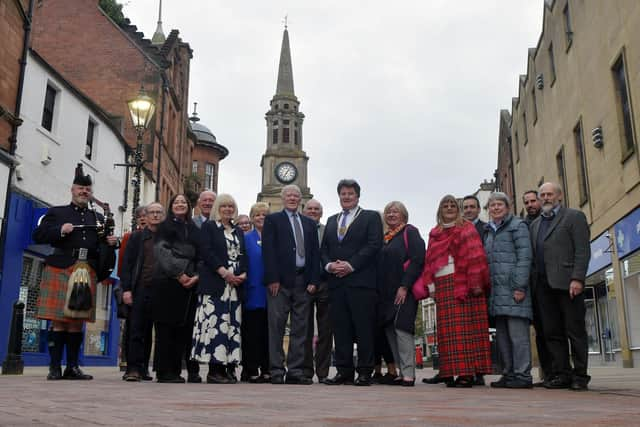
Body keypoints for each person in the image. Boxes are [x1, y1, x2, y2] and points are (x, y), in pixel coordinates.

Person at [33, 163, 118, 380]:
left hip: (86, 268)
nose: (84, 192)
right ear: (72, 189)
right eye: (80, 188)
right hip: (60, 266)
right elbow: (39, 235)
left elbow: (104, 245)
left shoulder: (98, 219)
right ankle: (54, 367)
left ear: (91, 193)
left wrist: (111, 242)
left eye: (87, 189)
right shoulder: (57, 212)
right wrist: (60, 231)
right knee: (59, 319)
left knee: (77, 321)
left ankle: (72, 367)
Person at [422, 194, 491, 388]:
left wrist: (476, 282)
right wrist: (431, 287)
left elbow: (477, 256)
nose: (450, 208)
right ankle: (449, 372)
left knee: (464, 331)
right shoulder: (435, 232)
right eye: (446, 205)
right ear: (440, 210)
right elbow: (429, 262)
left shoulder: (467, 228)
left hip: (465, 282)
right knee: (446, 332)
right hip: (442, 284)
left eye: (453, 205)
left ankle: (467, 374)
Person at [530, 182, 591, 391]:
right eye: (542, 195)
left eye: (550, 194)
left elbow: (582, 251)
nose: (546, 198)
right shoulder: (535, 225)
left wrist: (578, 279)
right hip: (543, 287)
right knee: (552, 332)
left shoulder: (574, 217)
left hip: (567, 284)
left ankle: (580, 375)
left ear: (559, 196)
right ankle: (562, 374)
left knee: (575, 331)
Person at [321, 179, 383, 386]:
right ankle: (343, 371)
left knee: (363, 328)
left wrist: (351, 264)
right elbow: (324, 250)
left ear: (357, 196)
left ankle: (365, 371)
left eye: (350, 193)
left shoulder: (370, 217)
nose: (346, 197)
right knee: (341, 329)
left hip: (361, 282)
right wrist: (330, 266)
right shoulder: (331, 220)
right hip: (337, 284)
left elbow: (374, 245)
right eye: (343, 194)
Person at [262, 185, 320, 385]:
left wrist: (314, 280)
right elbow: (268, 251)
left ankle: (295, 371)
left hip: (304, 282)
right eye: (289, 195)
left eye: (296, 195)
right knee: (276, 326)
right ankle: (277, 370)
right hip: (280, 283)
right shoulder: (272, 220)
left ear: (301, 198)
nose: (293, 198)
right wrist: (272, 279)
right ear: (283, 198)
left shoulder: (309, 224)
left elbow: (315, 254)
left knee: (301, 329)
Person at [192, 194, 247, 384]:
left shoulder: (238, 231)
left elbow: (242, 255)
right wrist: (225, 273)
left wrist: (243, 274)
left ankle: (228, 368)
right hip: (215, 286)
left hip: (234, 289)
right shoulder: (209, 227)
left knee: (231, 326)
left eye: (231, 206)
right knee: (216, 326)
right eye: (224, 206)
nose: (227, 209)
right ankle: (214, 371)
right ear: (218, 208)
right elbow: (206, 252)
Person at [483, 192, 533, 389]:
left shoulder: (518, 226)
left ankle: (523, 375)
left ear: (507, 207)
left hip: (514, 291)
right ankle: (509, 373)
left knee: (518, 336)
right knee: (502, 336)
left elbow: (525, 257)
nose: (496, 208)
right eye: (492, 205)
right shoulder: (488, 231)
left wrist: (520, 286)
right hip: (496, 293)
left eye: (499, 205)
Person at [152, 194, 200, 383]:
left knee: (182, 330)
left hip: (189, 286)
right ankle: (164, 371)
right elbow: (162, 253)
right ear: (171, 206)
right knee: (165, 329)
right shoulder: (164, 227)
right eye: (176, 202)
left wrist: (196, 276)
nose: (180, 204)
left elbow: (201, 255)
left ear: (188, 206)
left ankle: (175, 370)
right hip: (167, 282)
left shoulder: (194, 229)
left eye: (183, 202)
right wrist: (180, 273)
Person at [377, 201, 425, 387]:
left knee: (402, 329)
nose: (391, 215)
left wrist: (405, 285)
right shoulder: (386, 237)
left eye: (395, 212)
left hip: (405, 290)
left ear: (404, 215)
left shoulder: (409, 232)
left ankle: (408, 374)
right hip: (386, 293)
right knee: (390, 329)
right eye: (388, 212)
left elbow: (418, 259)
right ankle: (400, 370)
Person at [121, 202, 164, 382]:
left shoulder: (169, 238)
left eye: (158, 212)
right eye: (151, 212)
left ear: (163, 216)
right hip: (141, 288)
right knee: (137, 329)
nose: (155, 215)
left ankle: (145, 368)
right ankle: (133, 368)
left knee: (153, 332)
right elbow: (127, 265)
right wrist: (127, 290)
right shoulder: (136, 237)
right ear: (145, 216)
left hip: (162, 290)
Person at [302, 199, 332, 383]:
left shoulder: (328, 230)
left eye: (316, 209)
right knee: (304, 329)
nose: (313, 211)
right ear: (304, 211)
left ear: (321, 213)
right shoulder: (299, 229)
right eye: (310, 209)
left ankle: (322, 372)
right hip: (304, 284)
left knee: (326, 331)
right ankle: (305, 371)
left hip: (326, 283)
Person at [522, 189, 550, 386]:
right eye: (527, 202)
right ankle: (547, 373)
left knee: (554, 330)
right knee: (540, 331)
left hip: (552, 281)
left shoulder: (550, 220)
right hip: (534, 285)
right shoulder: (524, 225)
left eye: (533, 200)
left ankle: (562, 371)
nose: (531, 205)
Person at [241, 202, 271, 383]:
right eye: (257, 214)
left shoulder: (275, 238)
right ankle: (250, 368)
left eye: (265, 215)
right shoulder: (245, 238)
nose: (261, 218)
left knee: (268, 332)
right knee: (251, 332)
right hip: (251, 291)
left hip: (271, 292)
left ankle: (267, 368)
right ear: (252, 218)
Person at [117, 205, 147, 379]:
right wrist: (126, 287)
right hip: (133, 287)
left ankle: (142, 367)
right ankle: (128, 363)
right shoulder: (130, 237)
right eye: (140, 216)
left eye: (145, 215)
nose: (143, 218)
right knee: (132, 328)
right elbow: (123, 264)